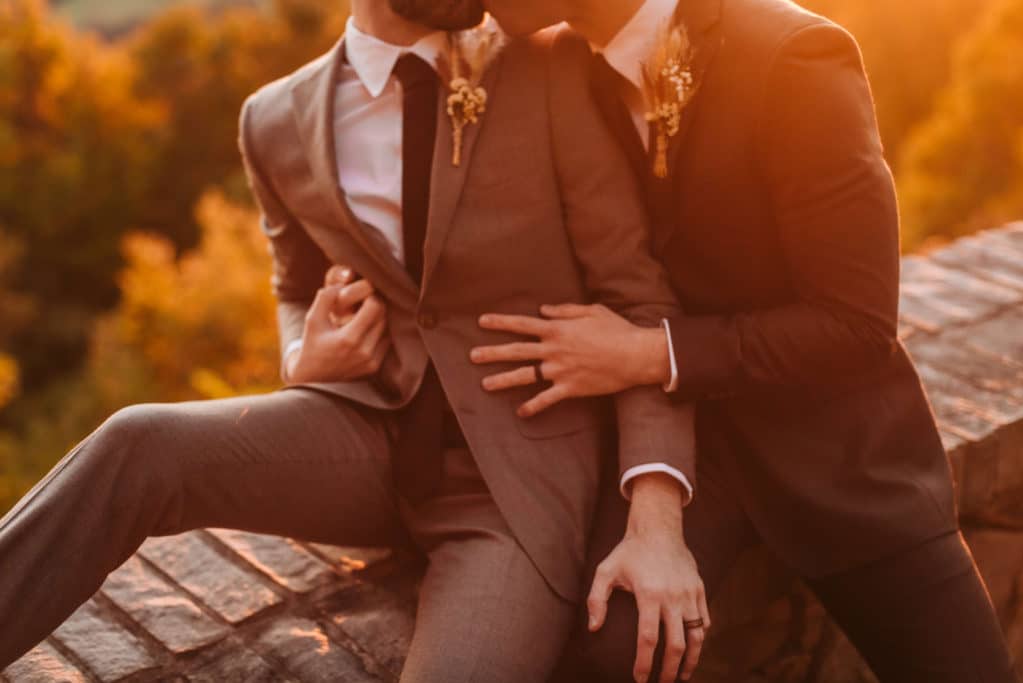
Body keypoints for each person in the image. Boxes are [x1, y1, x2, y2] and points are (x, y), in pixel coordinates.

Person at [0, 1, 695, 680]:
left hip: (513, 490)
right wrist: (305, 355)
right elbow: (294, 288)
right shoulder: (273, 121)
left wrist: (656, 514)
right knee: (139, 441)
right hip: (365, 439)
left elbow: (638, 300)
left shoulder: (550, 66)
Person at [470, 0, 1020, 681]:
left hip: (841, 453)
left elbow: (857, 325)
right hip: (683, 452)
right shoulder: (554, 68)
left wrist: (648, 351)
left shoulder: (795, 57)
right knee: (615, 648)